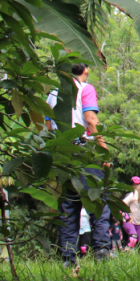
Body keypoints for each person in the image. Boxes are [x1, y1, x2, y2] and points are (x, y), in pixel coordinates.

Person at [48, 63, 114, 265]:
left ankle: (68, 257)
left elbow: (48, 127)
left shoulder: (53, 93)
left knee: (69, 207)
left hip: (63, 155)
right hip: (84, 152)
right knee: (97, 202)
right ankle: (101, 251)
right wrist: (104, 151)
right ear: (86, 70)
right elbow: (91, 119)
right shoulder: (85, 88)